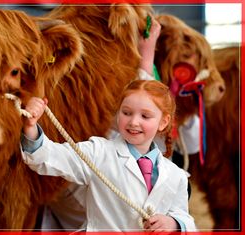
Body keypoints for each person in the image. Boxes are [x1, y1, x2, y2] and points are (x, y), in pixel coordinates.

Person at [21, 79, 197, 232]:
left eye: (145, 116)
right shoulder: (98, 152)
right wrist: (31, 127)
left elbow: (186, 220)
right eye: (126, 113)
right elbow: (51, 157)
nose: (134, 122)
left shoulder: (176, 176)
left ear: (163, 122)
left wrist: (174, 224)